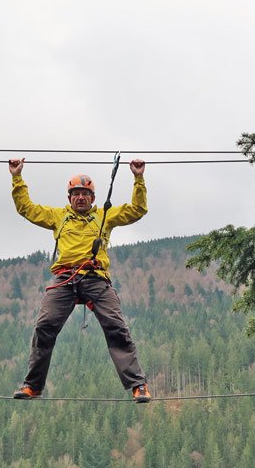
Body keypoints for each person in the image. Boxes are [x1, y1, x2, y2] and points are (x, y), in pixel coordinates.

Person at [8, 156, 152, 402]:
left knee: (116, 326)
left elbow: (137, 210)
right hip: (65, 278)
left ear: (93, 198)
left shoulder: (104, 216)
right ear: (70, 198)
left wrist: (138, 178)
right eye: (76, 194)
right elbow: (26, 208)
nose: (81, 198)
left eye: (85, 194)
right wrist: (17, 177)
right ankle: (33, 386)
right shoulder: (58, 216)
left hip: (95, 278)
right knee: (44, 326)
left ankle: (138, 385)